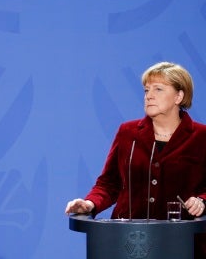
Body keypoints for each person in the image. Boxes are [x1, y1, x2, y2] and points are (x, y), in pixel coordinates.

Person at [65, 61, 206, 257]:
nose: (149, 95)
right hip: (127, 242)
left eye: (158, 89)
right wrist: (90, 203)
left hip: (181, 243)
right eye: (146, 90)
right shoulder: (128, 132)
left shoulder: (201, 136)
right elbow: (108, 183)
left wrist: (202, 201)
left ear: (179, 96)